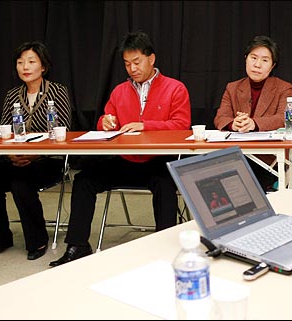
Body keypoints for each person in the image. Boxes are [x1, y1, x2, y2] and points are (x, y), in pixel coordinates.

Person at [49, 31, 191, 267]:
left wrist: (145, 125)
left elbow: (182, 125)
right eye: (127, 64)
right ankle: (78, 245)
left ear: (151, 59)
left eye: (137, 62)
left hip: (159, 159)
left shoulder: (175, 88)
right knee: (84, 181)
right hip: (126, 160)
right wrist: (104, 121)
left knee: (165, 185)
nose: (132, 68)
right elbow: (106, 119)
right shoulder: (119, 91)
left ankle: (165, 250)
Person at [0, 41, 72, 260]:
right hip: (15, 158)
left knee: (21, 185)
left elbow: (63, 130)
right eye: (20, 62)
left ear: (43, 67)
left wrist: (35, 154)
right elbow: (5, 132)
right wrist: (10, 154)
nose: (25, 67)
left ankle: (37, 240)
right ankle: (1, 237)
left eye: (31, 61)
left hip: (48, 159)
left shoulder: (58, 92)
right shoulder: (12, 95)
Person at [213, 35, 292, 191]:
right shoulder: (233, 87)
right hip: (236, 155)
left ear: (272, 66)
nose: (257, 65)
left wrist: (254, 124)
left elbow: (283, 118)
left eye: (264, 60)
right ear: (246, 59)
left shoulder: (284, 87)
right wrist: (233, 124)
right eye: (253, 58)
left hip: (268, 160)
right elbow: (220, 117)